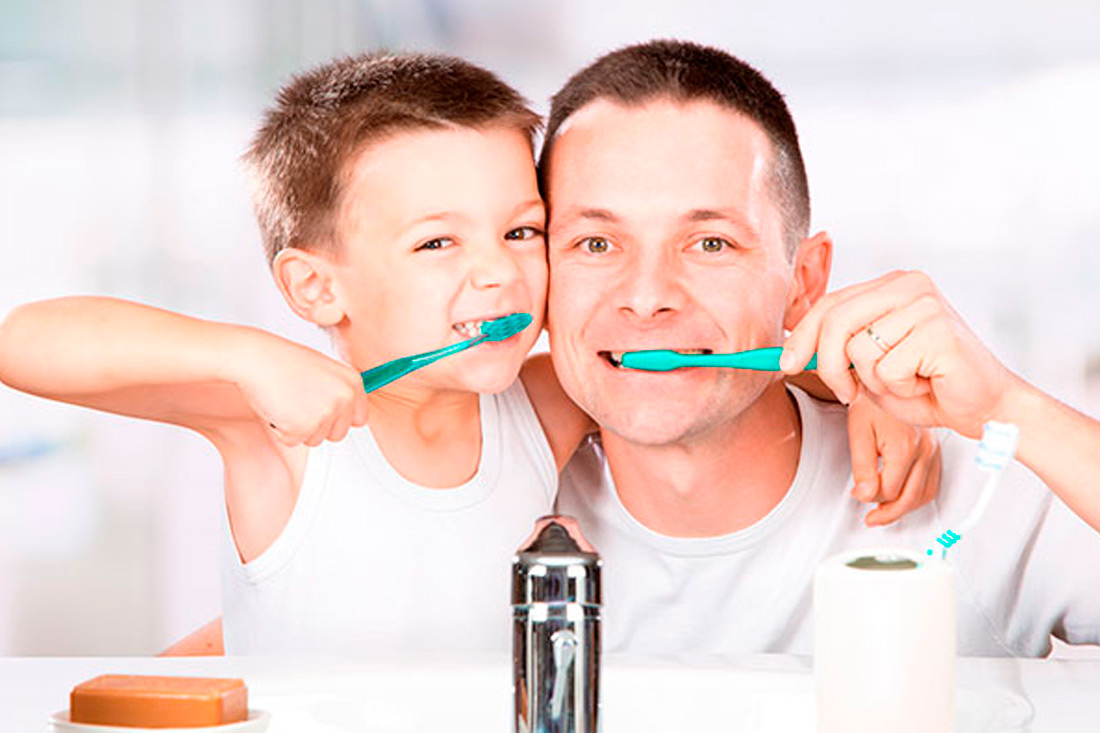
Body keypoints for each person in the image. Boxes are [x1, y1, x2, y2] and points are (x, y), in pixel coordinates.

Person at [0, 51, 936, 656]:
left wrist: (869, 389)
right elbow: (27, 344)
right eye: (438, 244)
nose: (496, 277)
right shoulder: (277, 429)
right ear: (318, 288)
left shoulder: (540, 403)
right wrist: (245, 354)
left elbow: (694, 365)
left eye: (521, 232)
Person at [544, 39, 1100, 659]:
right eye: (595, 244)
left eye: (710, 244)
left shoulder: (974, 492)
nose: (647, 299)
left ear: (803, 284)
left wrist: (1010, 406)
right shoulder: (501, 499)